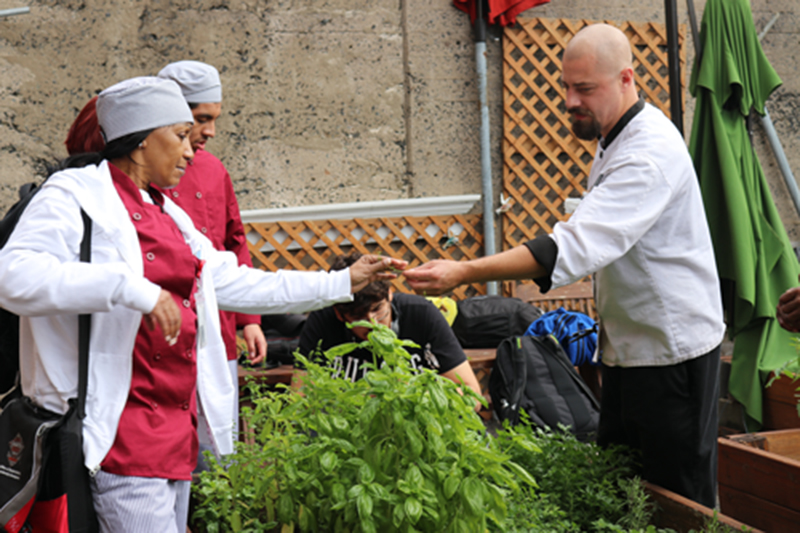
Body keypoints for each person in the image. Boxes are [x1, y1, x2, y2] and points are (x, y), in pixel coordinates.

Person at [0, 76, 405, 533]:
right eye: (180, 136)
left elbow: (231, 280)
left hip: (173, 433)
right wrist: (131, 287)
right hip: (119, 436)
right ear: (138, 144)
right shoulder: (72, 194)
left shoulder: (166, 212)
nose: (192, 151)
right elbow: (12, 277)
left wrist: (342, 282)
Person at [404, 23, 725, 508]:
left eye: (585, 89)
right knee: (624, 491)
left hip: (671, 356)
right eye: (566, 87)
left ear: (626, 79)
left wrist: (462, 272)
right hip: (630, 351)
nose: (571, 101)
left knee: (677, 502)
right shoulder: (618, 135)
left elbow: (569, 248)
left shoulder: (649, 154)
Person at [156, 61, 267, 452]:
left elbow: (235, 241)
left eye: (214, 118)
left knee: (220, 446)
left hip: (220, 331)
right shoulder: (146, 172)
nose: (211, 131)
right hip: (165, 335)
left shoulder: (214, 168)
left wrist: (250, 320)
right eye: (202, 119)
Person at [297, 253, 482, 399]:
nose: (373, 323)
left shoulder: (421, 314)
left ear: (389, 294)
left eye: (378, 309)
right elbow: (299, 396)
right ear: (339, 314)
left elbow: (471, 394)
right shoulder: (322, 321)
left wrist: (416, 399)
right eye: (357, 317)